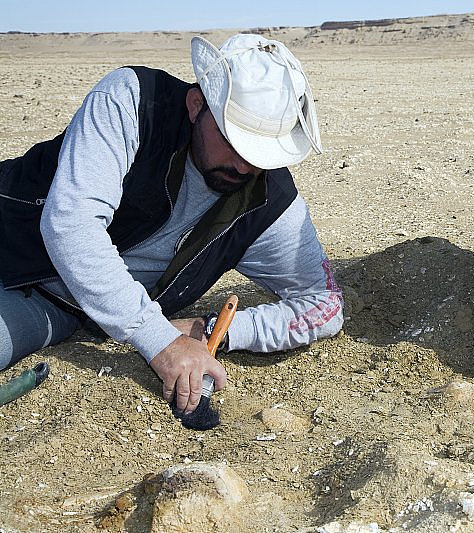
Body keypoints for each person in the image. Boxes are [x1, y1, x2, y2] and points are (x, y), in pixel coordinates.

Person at [0, 34, 343, 414]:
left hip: (55, 310)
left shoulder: (270, 203)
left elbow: (323, 305)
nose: (244, 166)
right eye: (233, 142)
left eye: (261, 153)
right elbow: (72, 222)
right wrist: (158, 338)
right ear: (197, 105)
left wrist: (215, 331)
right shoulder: (133, 101)